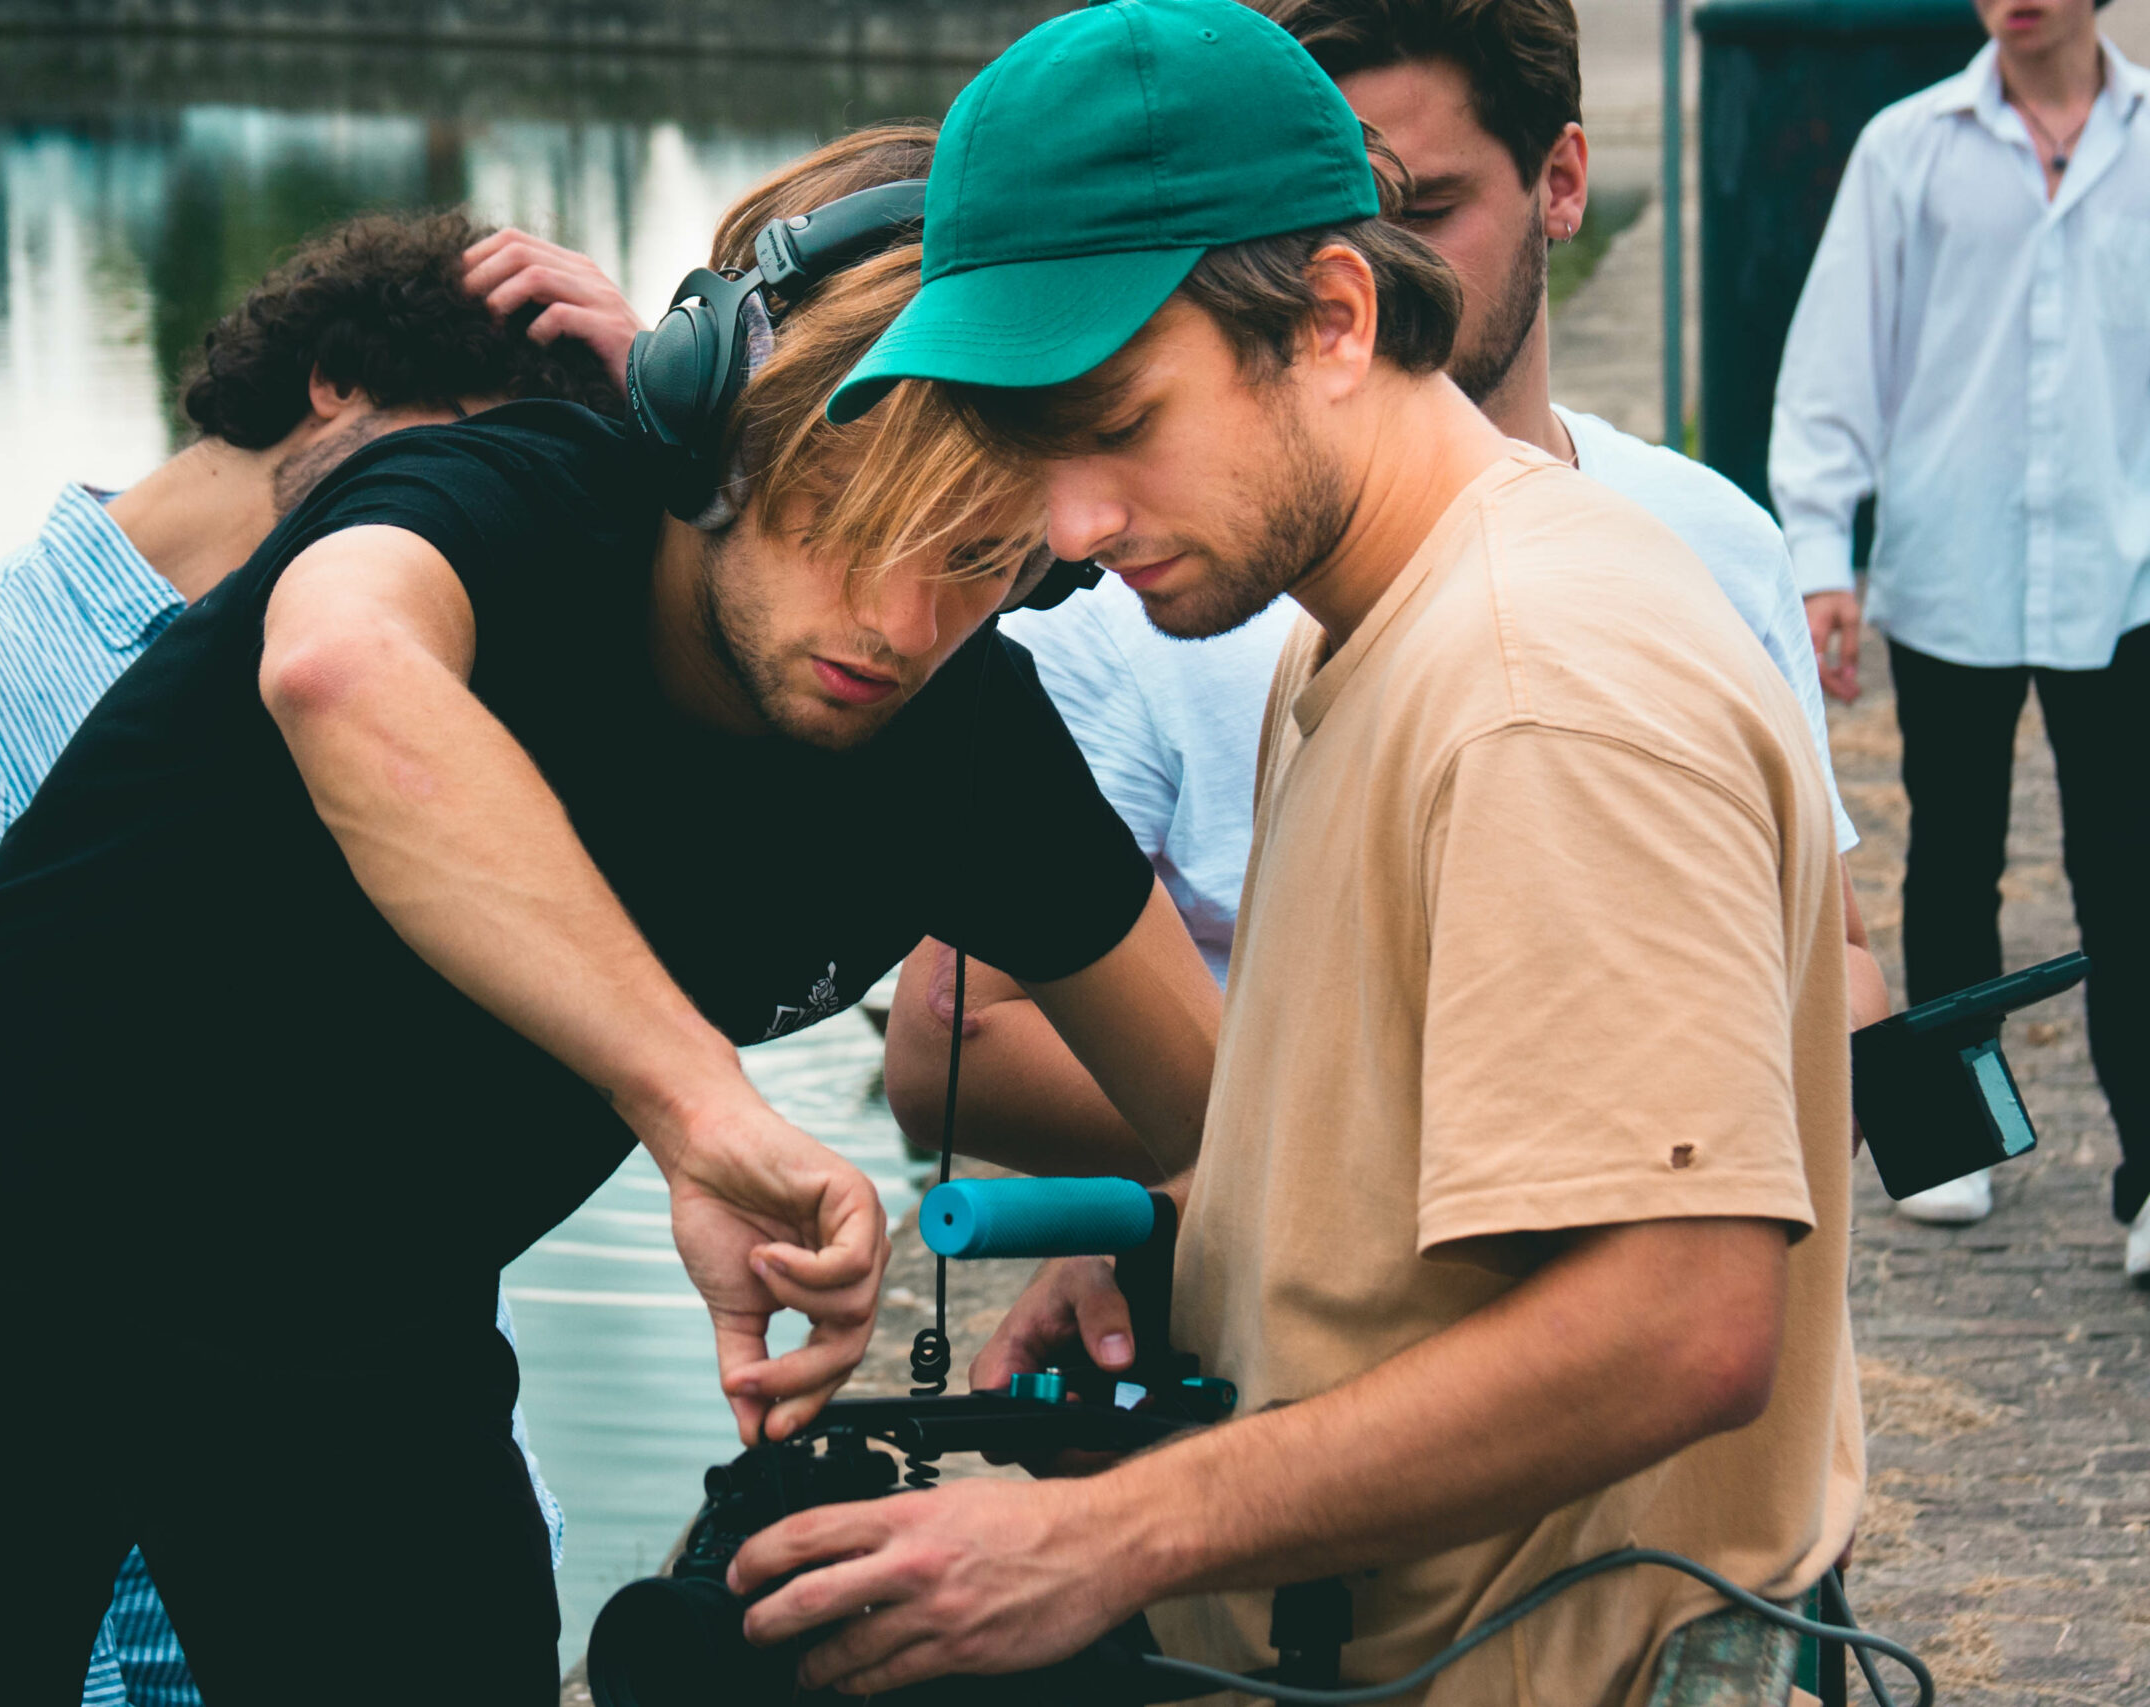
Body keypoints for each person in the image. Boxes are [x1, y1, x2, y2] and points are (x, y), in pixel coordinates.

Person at [0, 123, 1223, 1703]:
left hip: (355, 1306)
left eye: (981, 558)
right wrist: (699, 1105)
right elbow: (340, 667)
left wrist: (1157, 1268)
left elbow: (1226, 1109)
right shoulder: (501, 499)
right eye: (848, 515)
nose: (900, 620)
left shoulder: (965, 734)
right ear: (714, 418)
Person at [731, 4, 1859, 1701]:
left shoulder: (1537, 691)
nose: (1070, 527)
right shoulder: (1359, 623)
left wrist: (1110, 1536)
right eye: (1032, 449)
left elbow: (1676, 1321)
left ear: (1333, 315)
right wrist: (1197, 1264)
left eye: (1116, 421)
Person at [0, 208, 629, 1704]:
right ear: (336, 385)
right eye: (482, 456)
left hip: (389, 1561)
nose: (496, 514)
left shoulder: (450, 669)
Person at [883, 0, 1889, 1185]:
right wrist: (1202, 1235)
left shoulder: (1555, 652)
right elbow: (956, 1032)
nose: (1072, 529)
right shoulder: (1304, 613)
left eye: (1421, 211)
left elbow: (1670, 1323)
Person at [1773, 0, 2147, 1250]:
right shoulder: (1907, 149)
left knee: (2128, 870)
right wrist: (1822, 554)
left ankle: (2147, 1172)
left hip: (2126, 571)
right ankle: (1952, 1139)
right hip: (1952, 568)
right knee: (1950, 860)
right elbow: (1836, 362)